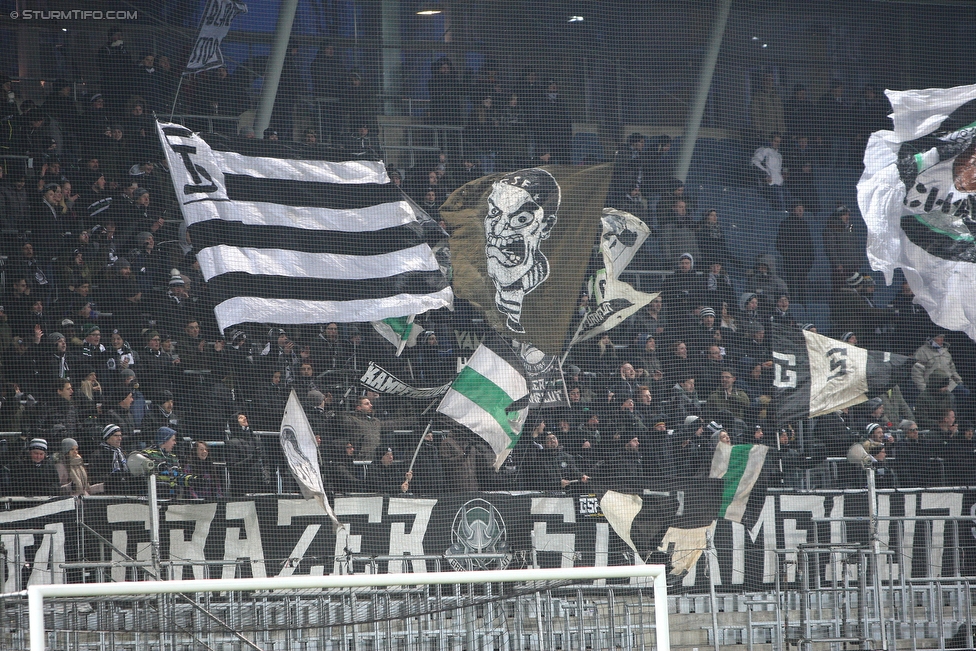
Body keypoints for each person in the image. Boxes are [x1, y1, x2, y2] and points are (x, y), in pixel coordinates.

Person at [88, 423, 131, 494]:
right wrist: (114, 478)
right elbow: (95, 476)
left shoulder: (122, 453)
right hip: (106, 492)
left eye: (120, 435)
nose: (119, 438)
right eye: (116, 436)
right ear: (107, 437)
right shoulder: (98, 454)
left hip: (124, 492)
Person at [751, 132, 786, 212]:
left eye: (778, 142)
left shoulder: (779, 155)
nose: (777, 144)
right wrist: (765, 175)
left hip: (780, 185)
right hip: (770, 185)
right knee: (779, 207)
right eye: (775, 141)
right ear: (770, 141)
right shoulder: (764, 150)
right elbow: (755, 162)